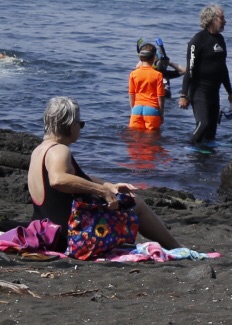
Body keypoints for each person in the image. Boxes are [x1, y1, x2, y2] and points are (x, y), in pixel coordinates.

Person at [28, 96, 177, 252]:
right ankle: (177, 248)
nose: (80, 128)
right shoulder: (59, 150)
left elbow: (76, 178)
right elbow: (58, 179)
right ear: (70, 124)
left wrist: (108, 185)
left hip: (47, 233)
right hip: (69, 236)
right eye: (81, 124)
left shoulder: (39, 150)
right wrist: (101, 191)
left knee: (122, 201)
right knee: (135, 203)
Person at [179, 3, 232, 150]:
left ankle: (208, 163)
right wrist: (184, 94)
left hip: (214, 92)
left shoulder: (221, 40)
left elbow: (223, 68)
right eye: (222, 18)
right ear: (212, 19)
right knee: (202, 124)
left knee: (211, 130)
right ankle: (187, 149)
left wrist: (230, 93)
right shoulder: (197, 41)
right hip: (199, 91)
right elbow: (189, 69)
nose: (225, 21)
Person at [128, 44, 168, 131]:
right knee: (152, 138)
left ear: (140, 58)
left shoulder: (133, 74)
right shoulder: (158, 75)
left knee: (134, 137)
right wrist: (161, 113)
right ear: (154, 58)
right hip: (152, 109)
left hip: (136, 109)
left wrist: (133, 110)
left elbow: (131, 94)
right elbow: (160, 96)